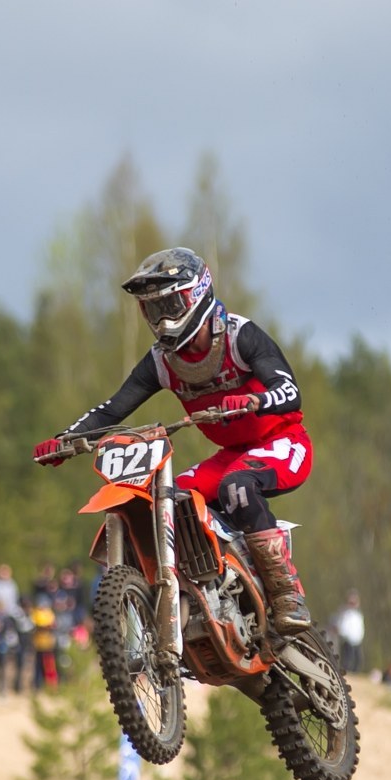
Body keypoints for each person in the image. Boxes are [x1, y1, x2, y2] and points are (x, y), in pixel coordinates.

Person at [35, 247, 316, 636]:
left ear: (197, 294)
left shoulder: (239, 336)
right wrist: (66, 440)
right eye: (153, 310)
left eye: (170, 305)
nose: (163, 320)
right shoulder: (161, 361)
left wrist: (254, 401)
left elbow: (290, 391)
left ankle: (287, 595)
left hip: (282, 441)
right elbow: (113, 408)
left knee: (236, 486)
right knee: (167, 500)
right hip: (231, 455)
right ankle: (199, 592)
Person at [333, 590, 365, 674]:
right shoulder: (345, 613)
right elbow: (342, 626)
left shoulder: (358, 614)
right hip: (347, 640)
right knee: (347, 660)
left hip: (357, 641)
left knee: (357, 660)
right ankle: (346, 673)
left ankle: (355, 674)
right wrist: (344, 635)